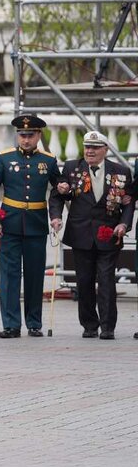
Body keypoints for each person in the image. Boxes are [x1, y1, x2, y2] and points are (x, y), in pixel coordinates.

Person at [48, 131, 134, 339]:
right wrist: (56, 216)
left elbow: (129, 202)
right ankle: (89, 324)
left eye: (95, 148)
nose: (90, 151)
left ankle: (107, 327)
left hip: (108, 233)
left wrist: (124, 224)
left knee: (106, 280)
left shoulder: (121, 171)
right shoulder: (71, 168)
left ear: (105, 149)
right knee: (84, 281)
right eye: (87, 147)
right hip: (81, 233)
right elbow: (58, 195)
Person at [0, 114, 60, 338]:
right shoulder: (5, 158)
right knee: (10, 275)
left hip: (36, 223)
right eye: (22, 135)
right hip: (10, 223)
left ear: (39, 135)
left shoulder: (49, 160)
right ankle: (11, 324)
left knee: (35, 275)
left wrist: (62, 197)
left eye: (30, 135)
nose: (25, 140)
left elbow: (58, 188)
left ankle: (34, 323)